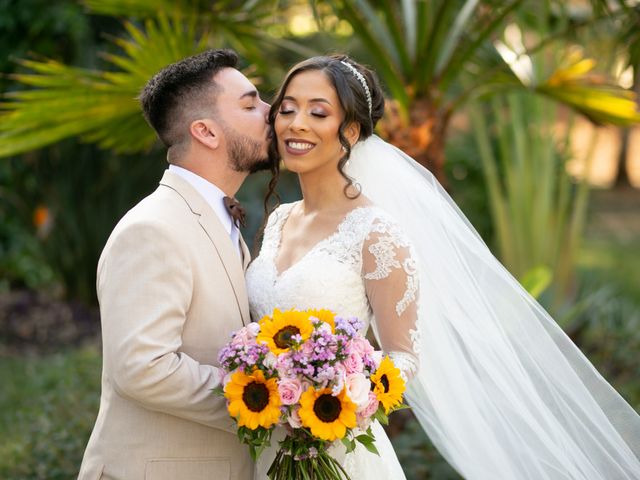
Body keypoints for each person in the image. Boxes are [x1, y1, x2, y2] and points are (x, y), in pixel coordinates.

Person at [246, 54, 640, 479]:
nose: (296, 123)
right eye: (286, 109)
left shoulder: (375, 233)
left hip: (335, 450)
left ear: (352, 131)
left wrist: (335, 390)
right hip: (259, 440)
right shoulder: (280, 218)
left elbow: (403, 356)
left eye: (317, 112)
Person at [78, 49, 272, 480]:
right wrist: (267, 401)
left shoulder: (217, 219)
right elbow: (143, 367)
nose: (272, 112)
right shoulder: (153, 229)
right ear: (205, 131)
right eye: (251, 103)